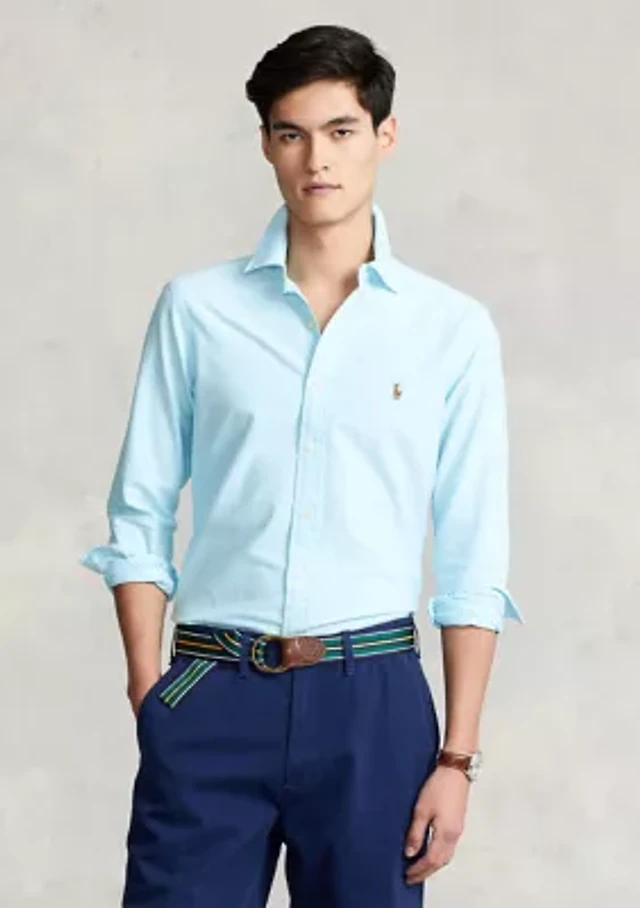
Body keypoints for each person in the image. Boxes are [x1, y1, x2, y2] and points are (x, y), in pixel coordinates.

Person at [80, 23, 523, 908]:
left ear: (384, 135)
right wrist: (151, 691)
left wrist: (457, 758)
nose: (316, 159)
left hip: (374, 701)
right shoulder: (197, 310)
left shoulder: (449, 330)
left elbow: (473, 556)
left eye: (340, 130)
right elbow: (139, 510)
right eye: (292, 133)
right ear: (266, 145)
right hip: (212, 689)